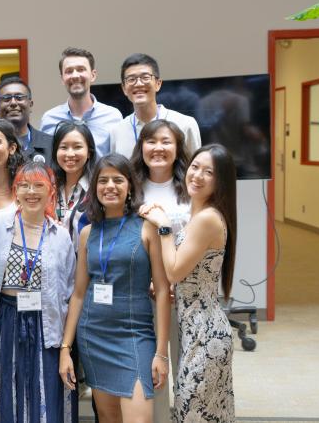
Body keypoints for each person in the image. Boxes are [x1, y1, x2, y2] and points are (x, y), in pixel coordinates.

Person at [59, 154, 170, 423]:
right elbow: (79, 293)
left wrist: (162, 353)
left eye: (118, 180)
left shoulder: (147, 229)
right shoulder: (88, 233)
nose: (110, 186)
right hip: (94, 336)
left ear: (130, 186)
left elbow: (164, 290)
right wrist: (65, 348)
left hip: (134, 335)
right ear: (95, 188)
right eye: (103, 180)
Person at [139, 144, 237, 422]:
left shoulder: (206, 218)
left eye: (209, 172)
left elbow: (174, 271)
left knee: (193, 413)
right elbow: (184, 273)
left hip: (205, 334)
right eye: (195, 167)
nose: (197, 175)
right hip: (198, 329)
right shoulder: (201, 214)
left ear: (221, 182)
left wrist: (163, 225)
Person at [0, 162, 77, 423]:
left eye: (38, 185)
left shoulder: (61, 236)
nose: (30, 192)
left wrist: (66, 346)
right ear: (15, 191)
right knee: (6, 397)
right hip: (5, 320)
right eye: (23, 185)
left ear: (51, 191)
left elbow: (69, 292)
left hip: (46, 325)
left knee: (42, 396)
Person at [129, 119, 192, 423]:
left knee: (187, 374)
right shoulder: (131, 188)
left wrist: (173, 282)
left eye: (166, 141)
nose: (158, 148)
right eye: (151, 141)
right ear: (141, 147)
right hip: (142, 298)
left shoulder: (191, 188)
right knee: (153, 375)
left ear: (178, 147)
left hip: (185, 295)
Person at [110, 53, 201, 159]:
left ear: (158, 84)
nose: (138, 84)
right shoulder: (117, 131)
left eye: (145, 77)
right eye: (131, 79)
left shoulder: (185, 124)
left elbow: (195, 168)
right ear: (124, 88)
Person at [40, 47, 123, 157]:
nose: (75, 75)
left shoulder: (113, 117)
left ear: (93, 75)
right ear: (62, 79)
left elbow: (119, 162)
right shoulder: (49, 119)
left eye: (81, 69)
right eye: (69, 71)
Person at [52, 122, 97, 241]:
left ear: (89, 153)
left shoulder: (97, 189)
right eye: (63, 147)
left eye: (77, 147)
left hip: (86, 258)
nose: (70, 154)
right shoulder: (49, 187)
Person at [0, 76, 52, 162]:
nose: (13, 102)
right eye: (6, 98)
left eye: (19, 97)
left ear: (30, 104)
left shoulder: (51, 144)